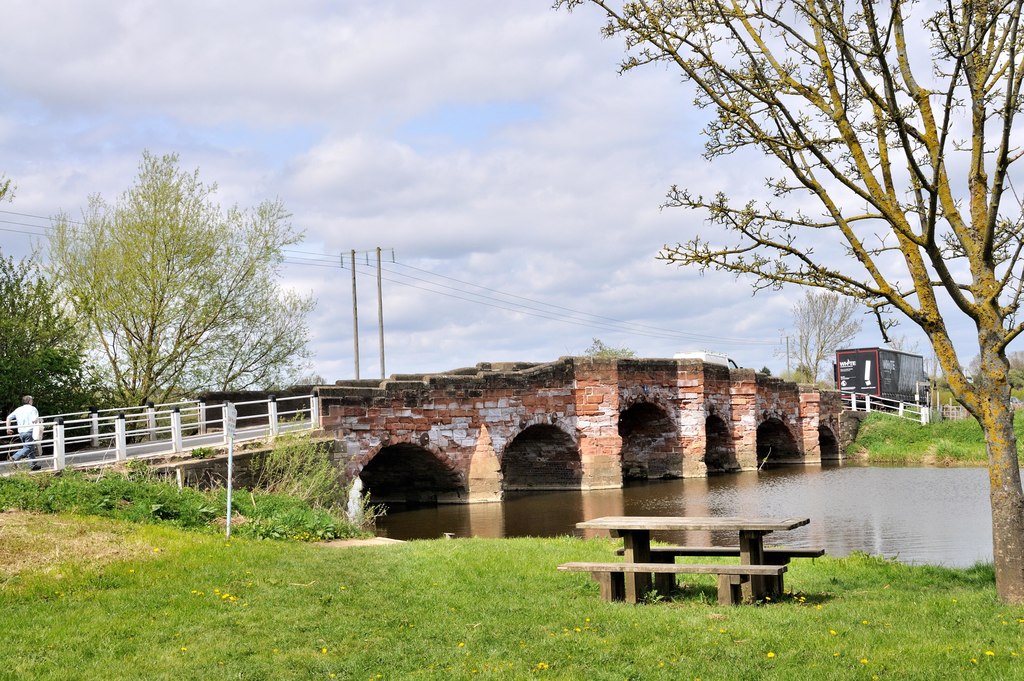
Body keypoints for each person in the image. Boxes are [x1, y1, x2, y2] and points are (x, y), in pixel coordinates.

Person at [6, 395, 41, 471]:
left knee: (30, 448)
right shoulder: (33, 409)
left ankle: (33, 465)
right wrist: (40, 420)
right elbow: (34, 420)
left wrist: (8, 428)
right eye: (32, 400)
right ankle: (15, 457)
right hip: (30, 431)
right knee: (28, 448)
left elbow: (8, 418)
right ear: (29, 401)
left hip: (21, 432)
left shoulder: (18, 409)